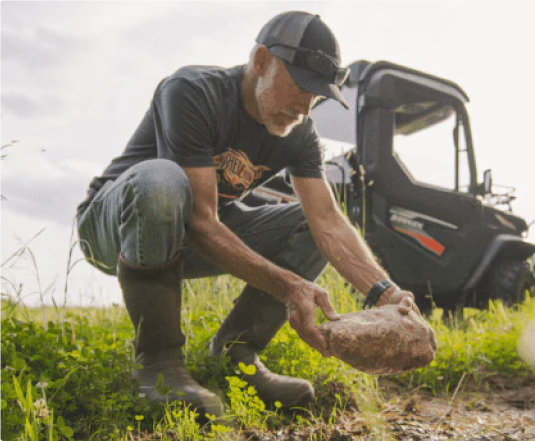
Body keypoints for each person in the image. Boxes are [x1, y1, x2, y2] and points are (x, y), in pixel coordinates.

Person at [75, 11, 418, 416]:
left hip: (191, 233)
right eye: (301, 87)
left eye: (318, 95)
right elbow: (201, 223)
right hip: (114, 228)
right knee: (162, 181)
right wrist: (289, 286)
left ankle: (236, 357)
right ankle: (160, 366)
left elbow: (327, 222)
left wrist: (384, 291)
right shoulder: (191, 91)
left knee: (305, 226)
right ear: (260, 62)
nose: (306, 107)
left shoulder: (300, 134)